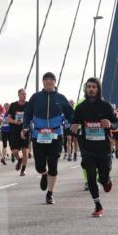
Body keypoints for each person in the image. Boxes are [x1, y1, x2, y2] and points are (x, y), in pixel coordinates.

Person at [23, 72, 74, 205]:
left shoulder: (61, 98)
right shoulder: (36, 97)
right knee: (39, 165)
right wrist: (25, 127)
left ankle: (50, 193)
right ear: (43, 82)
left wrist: (76, 125)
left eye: (51, 80)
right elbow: (28, 114)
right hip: (38, 135)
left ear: (55, 82)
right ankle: (43, 174)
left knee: (53, 165)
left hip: (56, 135)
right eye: (46, 80)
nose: (49, 82)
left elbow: (70, 114)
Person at [72, 77, 118, 217]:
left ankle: (106, 180)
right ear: (85, 89)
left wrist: (110, 125)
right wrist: (73, 128)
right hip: (87, 148)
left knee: (103, 178)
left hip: (103, 148)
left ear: (98, 89)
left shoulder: (106, 106)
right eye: (89, 86)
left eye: (94, 87)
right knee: (91, 177)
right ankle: (98, 206)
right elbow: (74, 126)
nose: (91, 89)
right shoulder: (80, 108)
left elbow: (117, 124)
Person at [6, 89, 30, 175]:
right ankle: (19, 160)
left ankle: (23, 170)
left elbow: (32, 118)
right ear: (19, 95)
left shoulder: (28, 105)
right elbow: (8, 119)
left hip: (25, 130)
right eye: (23, 94)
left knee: (25, 152)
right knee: (15, 152)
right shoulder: (13, 105)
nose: (24, 96)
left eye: (25, 94)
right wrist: (15, 122)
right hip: (14, 130)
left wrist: (26, 126)